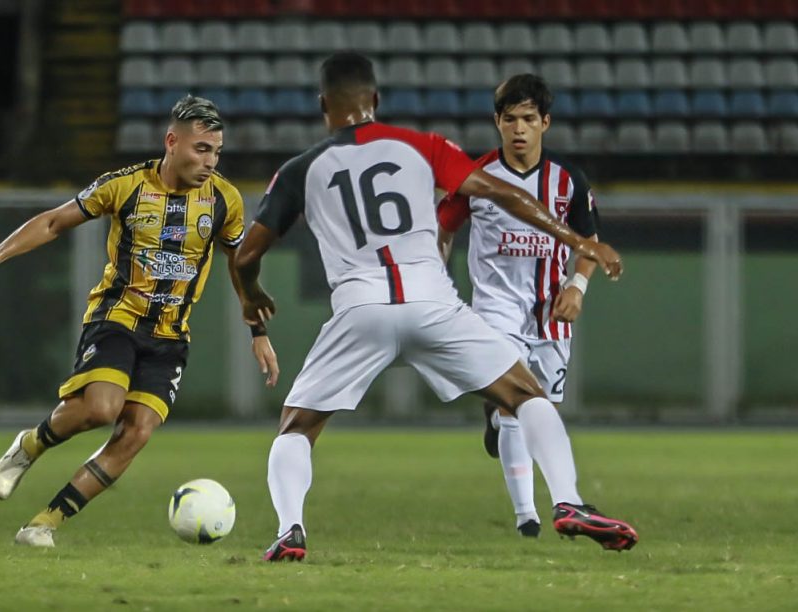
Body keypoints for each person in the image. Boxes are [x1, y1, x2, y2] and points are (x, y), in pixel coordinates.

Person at [234, 52, 638, 562]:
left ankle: (290, 529)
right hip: (432, 302)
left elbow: (245, 255)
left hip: (360, 310)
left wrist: (252, 299)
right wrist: (580, 239)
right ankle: (569, 501)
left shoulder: (300, 169)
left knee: (297, 427)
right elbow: (504, 193)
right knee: (526, 394)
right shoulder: (422, 147)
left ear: (323, 105)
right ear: (375, 101)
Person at [0, 95, 279, 548]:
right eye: (201, 149)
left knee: (136, 431)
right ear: (172, 142)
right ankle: (32, 444)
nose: (210, 161)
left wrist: (257, 330)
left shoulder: (224, 201)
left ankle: (44, 524)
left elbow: (238, 261)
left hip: (170, 336)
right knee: (102, 409)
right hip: (118, 317)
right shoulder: (125, 186)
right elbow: (53, 223)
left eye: (217, 152)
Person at [437, 74, 603, 539]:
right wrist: (437, 278)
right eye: (509, 119)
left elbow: (590, 241)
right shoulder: (476, 177)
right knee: (518, 404)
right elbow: (444, 227)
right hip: (495, 311)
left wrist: (578, 288)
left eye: (529, 119)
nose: (519, 129)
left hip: (550, 314)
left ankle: (494, 421)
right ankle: (527, 518)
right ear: (497, 122)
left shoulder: (568, 181)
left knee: (541, 408)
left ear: (545, 123)